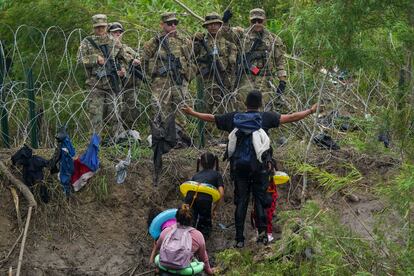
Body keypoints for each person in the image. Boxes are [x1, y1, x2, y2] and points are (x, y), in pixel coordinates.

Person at [182, 90, 317, 248]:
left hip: (239, 169)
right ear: (260, 104)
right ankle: (263, 236)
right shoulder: (266, 117)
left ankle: (239, 239)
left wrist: (192, 113)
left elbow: (212, 118)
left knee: (241, 203)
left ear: (245, 103)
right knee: (260, 201)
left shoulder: (234, 118)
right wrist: (310, 111)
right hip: (260, 168)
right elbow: (292, 117)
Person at [142, 12, 193, 185]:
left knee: (181, 110)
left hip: (177, 81)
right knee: (159, 109)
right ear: (162, 24)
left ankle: (179, 139)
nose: (172, 26)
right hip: (160, 81)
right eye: (169, 23)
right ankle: (161, 139)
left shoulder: (184, 42)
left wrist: (186, 75)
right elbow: (143, 59)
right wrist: (150, 75)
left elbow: (191, 60)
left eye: (174, 23)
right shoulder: (154, 42)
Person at [221, 8, 287, 111]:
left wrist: (282, 82)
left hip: (264, 80)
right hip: (245, 79)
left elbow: (280, 62)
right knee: (244, 108)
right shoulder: (242, 35)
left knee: (262, 110)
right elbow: (226, 34)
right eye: (253, 21)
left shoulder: (273, 39)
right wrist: (225, 22)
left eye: (259, 21)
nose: (257, 23)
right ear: (249, 21)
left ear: (264, 20)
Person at [77, 14, 131, 139]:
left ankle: (117, 141)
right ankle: (95, 144)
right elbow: (80, 60)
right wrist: (96, 59)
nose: (100, 30)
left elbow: (124, 57)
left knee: (115, 115)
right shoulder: (87, 42)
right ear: (94, 27)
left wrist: (123, 69)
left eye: (102, 27)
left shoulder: (113, 42)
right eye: (97, 27)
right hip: (95, 85)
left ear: (106, 26)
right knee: (95, 116)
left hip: (112, 84)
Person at [153, 204, 214, 275]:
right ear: (192, 219)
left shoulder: (166, 231)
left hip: (164, 268)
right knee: (199, 266)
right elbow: (204, 258)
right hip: (184, 271)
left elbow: (158, 248)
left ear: (176, 217)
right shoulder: (198, 235)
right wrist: (209, 272)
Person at [107, 22, 143, 130]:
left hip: (129, 85)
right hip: (112, 86)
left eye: (119, 32)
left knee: (131, 109)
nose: (117, 34)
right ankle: (116, 134)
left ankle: (129, 133)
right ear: (109, 34)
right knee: (115, 110)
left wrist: (136, 61)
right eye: (114, 32)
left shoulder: (127, 49)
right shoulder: (106, 49)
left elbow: (139, 59)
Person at [185, 152, 224, 238]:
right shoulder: (217, 174)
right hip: (205, 199)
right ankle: (201, 245)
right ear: (214, 163)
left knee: (190, 222)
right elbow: (221, 193)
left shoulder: (196, 175)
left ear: (201, 164)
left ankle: (187, 242)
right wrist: (215, 209)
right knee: (204, 225)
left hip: (190, 197)